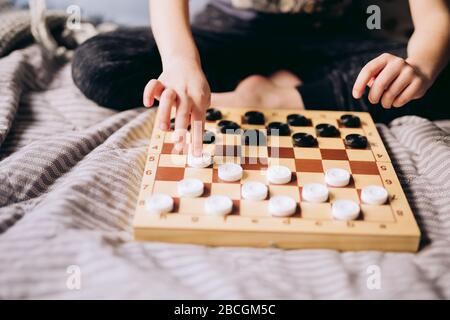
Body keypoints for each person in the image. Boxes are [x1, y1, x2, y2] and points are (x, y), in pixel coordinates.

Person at [72, 0, 450, 156]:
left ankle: (277, 97)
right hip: (230, 34)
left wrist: (418, 66)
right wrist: (181, 61)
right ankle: (304, 92)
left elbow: (434, 15)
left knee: (433, 78)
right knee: (100, 63)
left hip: (332, 39)